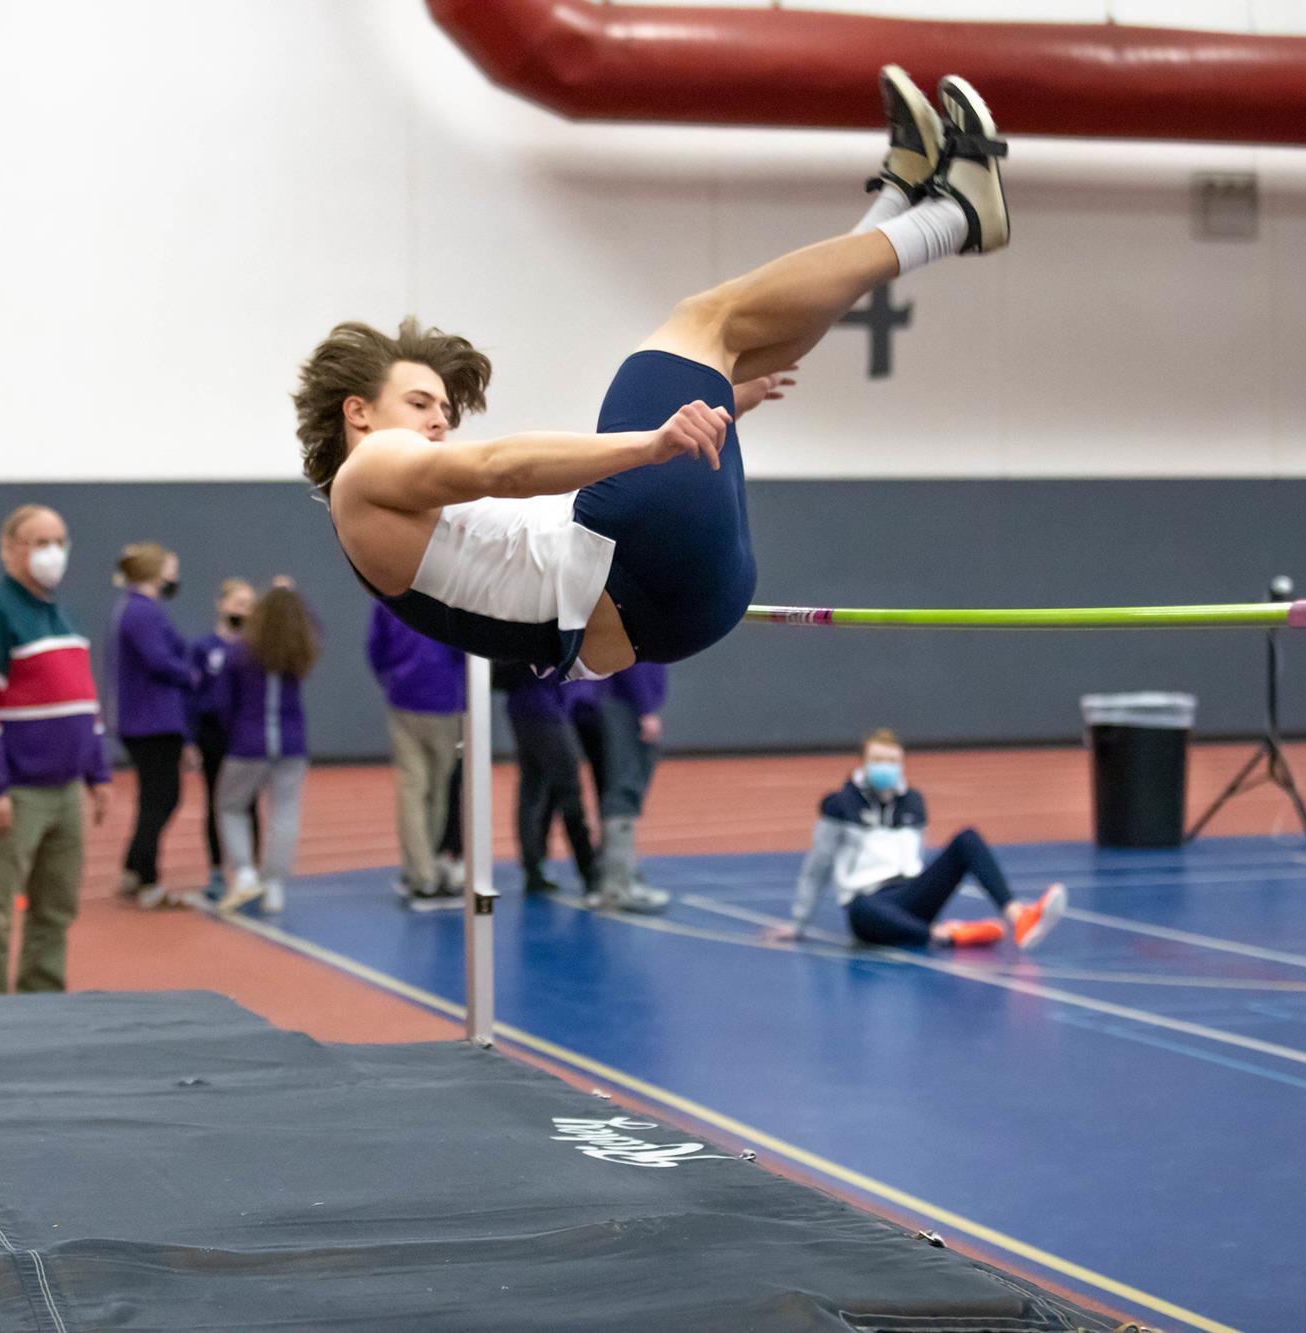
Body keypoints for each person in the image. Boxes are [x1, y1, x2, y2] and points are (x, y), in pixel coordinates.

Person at [298, 69, 1005, 680]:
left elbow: (519, 528)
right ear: (358, 411)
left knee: (735, 350)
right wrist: (650, 445)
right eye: (420, 402)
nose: (439, 420)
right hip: (635, 569)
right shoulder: (369, 471)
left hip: (676, 609)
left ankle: (901, 202)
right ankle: (952, 217)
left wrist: (719, 409)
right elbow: (500, 467)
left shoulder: (373, 527)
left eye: (441, 408)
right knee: (706, 320)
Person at [0, 504, 110, 994]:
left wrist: (98, 774)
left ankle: (43, 1001)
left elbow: (84, 700)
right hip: (18, 792)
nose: (52, 553)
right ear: (8, 549)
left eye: (59, 542)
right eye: (40, 543)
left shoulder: (64, 612)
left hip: (67, 791)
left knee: (56, 909)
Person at [767, 730, 1065, 950]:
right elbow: (817, 866)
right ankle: (947, 935)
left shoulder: (913, 801)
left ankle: (1018, 916)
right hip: (871, 901)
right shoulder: (839, 805)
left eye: (891, 761)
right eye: (878, 760)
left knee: (967, 839)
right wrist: (799, 923)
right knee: (860, 910)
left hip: (911, 893)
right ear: (864, 763)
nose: (885, 767)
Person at [212, 583, 319, 916]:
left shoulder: (238, 653)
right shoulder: (298, 653)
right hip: (290, 744)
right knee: (285, 812)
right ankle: (275, 885)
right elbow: (315, 627)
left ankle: (245, 873)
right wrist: (294, 598)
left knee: (230, 806)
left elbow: (222, 703)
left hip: (248, 744)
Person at [109, 542, 195, 908]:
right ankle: (148, 880)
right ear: (155, 572)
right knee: (162, 798)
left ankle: (134, 868)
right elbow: (159, 660)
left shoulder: (138, 609)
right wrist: (192, 674)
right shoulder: (142, 612)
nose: (175, 576)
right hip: (152, 721)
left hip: (149, 719)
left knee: (153, 798)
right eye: (171, 568)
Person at [365, 603, 467, 901]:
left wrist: (392, 678)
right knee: (437, 788)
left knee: (413, 789)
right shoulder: (450, 593)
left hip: (405, 698)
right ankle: (427, 866)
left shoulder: (387, 594)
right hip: (445, 701)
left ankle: (421, 872)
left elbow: (375, 647)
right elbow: (466, 646)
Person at [569, 664, 670, 914]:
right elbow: (632, 663)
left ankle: (616, 880)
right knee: (624, 790)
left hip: (623, 703)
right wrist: (645, 708)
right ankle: (618, 886)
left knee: (621, 789)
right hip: (626, 705)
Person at [496, 664, 598, 897]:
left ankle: (534, 870)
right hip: (545, 709)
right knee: (568, 791)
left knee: (532, 789)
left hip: (525, 707)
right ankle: (590, 873)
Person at [188, 577, 259, 901]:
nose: (243, 610)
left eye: (249, 605)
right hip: (213, 733)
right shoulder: (204, 648)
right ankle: (217, 870)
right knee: (216, 802)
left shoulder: (256, 649)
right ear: (221, 604)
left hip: (246, 734)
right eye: (238, 603)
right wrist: (190, 740)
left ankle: (250, 871)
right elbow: (192, 695)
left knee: (248, 803)